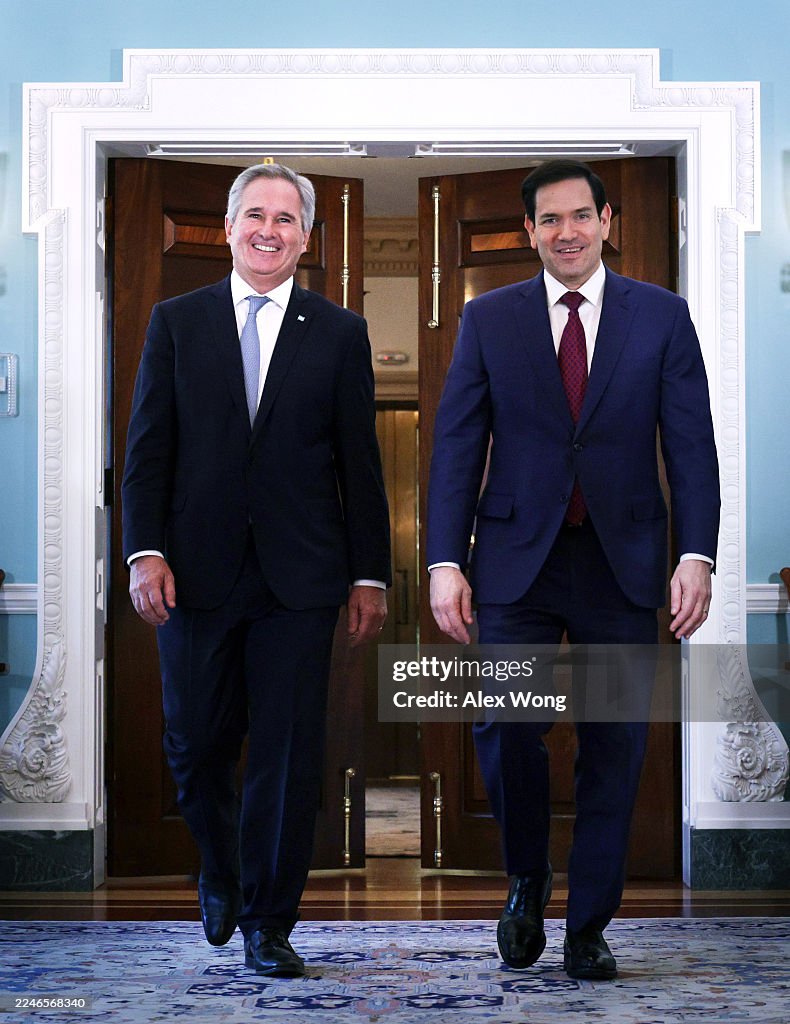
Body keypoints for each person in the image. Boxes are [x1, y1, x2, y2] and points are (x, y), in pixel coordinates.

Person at [427, 160, 719, 979]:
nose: (566, 231)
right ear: (529, 232)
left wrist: (695, 555)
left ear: (607, 220)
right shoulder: (488, 319)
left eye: (580, 215)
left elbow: (691, 445)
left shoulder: (662, 317)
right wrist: (446, 560)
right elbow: (457, 445)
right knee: (508, 730)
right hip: (516, 562)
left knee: (614, 745)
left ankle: (589, 923)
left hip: (623, 564)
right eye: (549, 219)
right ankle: (526, 879)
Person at [122, 163, 391, 977]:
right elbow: (147, 452)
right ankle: (222, 867)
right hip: (193, 574)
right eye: (255, 215)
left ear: (305, 237)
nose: (269, 229)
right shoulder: (177, 321)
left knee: (286, 751)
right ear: (230, 226)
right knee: (195, 743)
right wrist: (145, 550)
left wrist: (370, 573)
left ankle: (270, 922)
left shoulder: (338, 332)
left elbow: (360, 462)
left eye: (285, 218)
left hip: (300, 581)